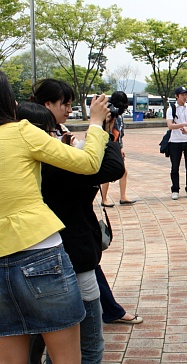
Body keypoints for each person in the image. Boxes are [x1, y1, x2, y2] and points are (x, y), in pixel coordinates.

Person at [0, 70, 109, 364]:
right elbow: (88, 163)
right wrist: (96, 123)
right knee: (68, 358)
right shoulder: (20, 131)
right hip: (38, 252)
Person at [18, 102, 124, 364]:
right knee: (83, 346)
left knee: (34, 342)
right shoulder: (52, 167)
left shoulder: (24, 167)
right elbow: (110, 167)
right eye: (48, 132)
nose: (52, 137)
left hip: (32, 262)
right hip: (68, 259)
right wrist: (101, 128)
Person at [99, 91, 136, 207]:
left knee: (123, 172)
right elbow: (107, 132)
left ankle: (123, 196)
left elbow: (119, 134)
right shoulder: (109, 114)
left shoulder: (119, 116)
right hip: (107, 146)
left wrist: (120, 147)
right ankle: (104, 198)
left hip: (116, 146)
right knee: (107, 172)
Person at [166, 86, 187, 200]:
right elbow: (170, 125)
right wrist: (184, 124)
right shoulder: (171, 108)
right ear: (177, 96)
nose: (184, 97)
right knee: (174, 167)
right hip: (175, 142)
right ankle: (175, 189)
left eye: (186, 94)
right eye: (182, 95)